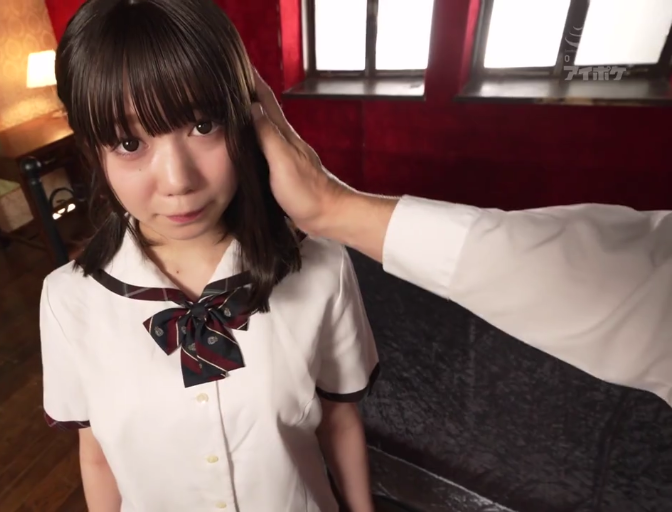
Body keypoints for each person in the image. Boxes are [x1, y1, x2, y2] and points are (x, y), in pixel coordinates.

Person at [40, 1, 379, 511]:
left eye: (202, 126)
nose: (178, 181)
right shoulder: (67, 301)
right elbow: (97, 457)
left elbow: (339, 421)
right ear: (93, 151)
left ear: (245, 119)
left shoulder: (322, 269)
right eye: (129, 142)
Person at [249, 69, 672, 408]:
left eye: (213, 122)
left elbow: (635, 294)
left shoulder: (324, 267)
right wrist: (332, 208)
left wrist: (333, 208)